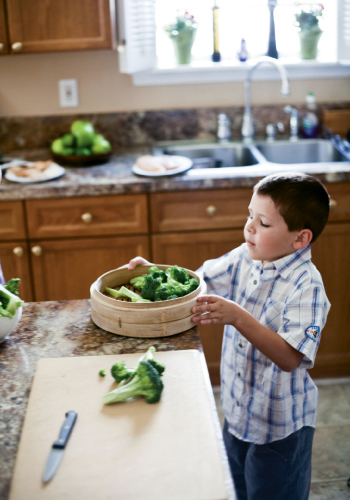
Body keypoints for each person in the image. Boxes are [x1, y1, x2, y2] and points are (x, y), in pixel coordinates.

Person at [128, 172, 331, 500]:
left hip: (279, 428)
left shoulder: (307, 288)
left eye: (263, 223)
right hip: (238, 413)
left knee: (271, 492)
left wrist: (237, 316)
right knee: (236, 488)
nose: (250, 227)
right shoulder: (245, 256)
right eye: (249, 215)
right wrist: (157, 271)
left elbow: (290, 358)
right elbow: (198, 282)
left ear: (300, 239)